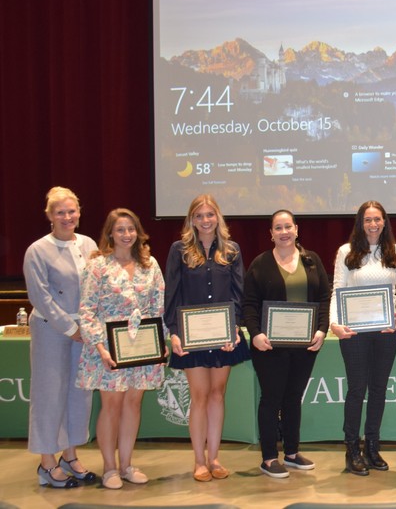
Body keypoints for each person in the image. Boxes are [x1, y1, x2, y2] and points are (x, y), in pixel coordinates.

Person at [77, 208, 166, 490]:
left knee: (133, 404)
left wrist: (161, 343)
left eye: (131, 229)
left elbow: (158, 307)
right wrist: (100, 348)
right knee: (111, 406)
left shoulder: (149, 264)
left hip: (142, 347)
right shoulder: (98, 266)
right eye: (120, 230)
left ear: (138, 232)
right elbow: (87, 310)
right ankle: (109, 468)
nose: (126, 235)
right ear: (110, 234)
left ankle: (127, 464)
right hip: (108, 348)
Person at [164, 194, 251, 482]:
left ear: (218, 217)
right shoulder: (179, 250)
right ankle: (199, 461)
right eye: (199, 216)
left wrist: (235, 328)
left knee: (217, 395)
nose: (205, 220)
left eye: (209, 215)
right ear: (191, 220)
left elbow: (239, 293)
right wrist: (174, 332)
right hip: (192, 338)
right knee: (199, 396)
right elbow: (172, 295)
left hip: (224, 336)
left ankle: (214, 458)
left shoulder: (232, 250)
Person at [243, 210, 330, 479]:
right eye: (278, 228)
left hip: (303, 345)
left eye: (288, 226)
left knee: (293, 398)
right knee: (271, 399)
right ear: (271, 233)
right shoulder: (260, 264)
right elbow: (249, 304)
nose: (284, 232)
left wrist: (322, 330)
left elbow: (325, 297)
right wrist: (255, 334)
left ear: (296, 229)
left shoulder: (311, 260)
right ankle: (269, 457)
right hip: (269, 345)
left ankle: (291, 453)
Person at [23, 187, 99, 488]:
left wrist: (89, 327)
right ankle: (46, 462)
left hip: (84, 331)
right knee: (49, 394)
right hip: (51, 330)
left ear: (79, 212)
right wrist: (71, 329)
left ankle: (71, 455)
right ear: (49, 216)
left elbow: (96, 285)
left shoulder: (89, 244)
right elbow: (40, 297)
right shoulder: (37, 250)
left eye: (71, 211)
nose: (67, 217)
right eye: (60, 212)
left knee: (78, 394)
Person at [329, 201, 396, 476]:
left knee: (378, 389)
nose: (373, 224)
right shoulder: (346, 252)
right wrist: (334, 324)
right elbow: (338, 289)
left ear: (384, 222)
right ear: (360, 223)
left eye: (377, 219)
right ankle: (352, 449)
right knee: (356, 389)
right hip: (353, 333)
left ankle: (372, 447)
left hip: (386, 331)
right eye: (367, 220)